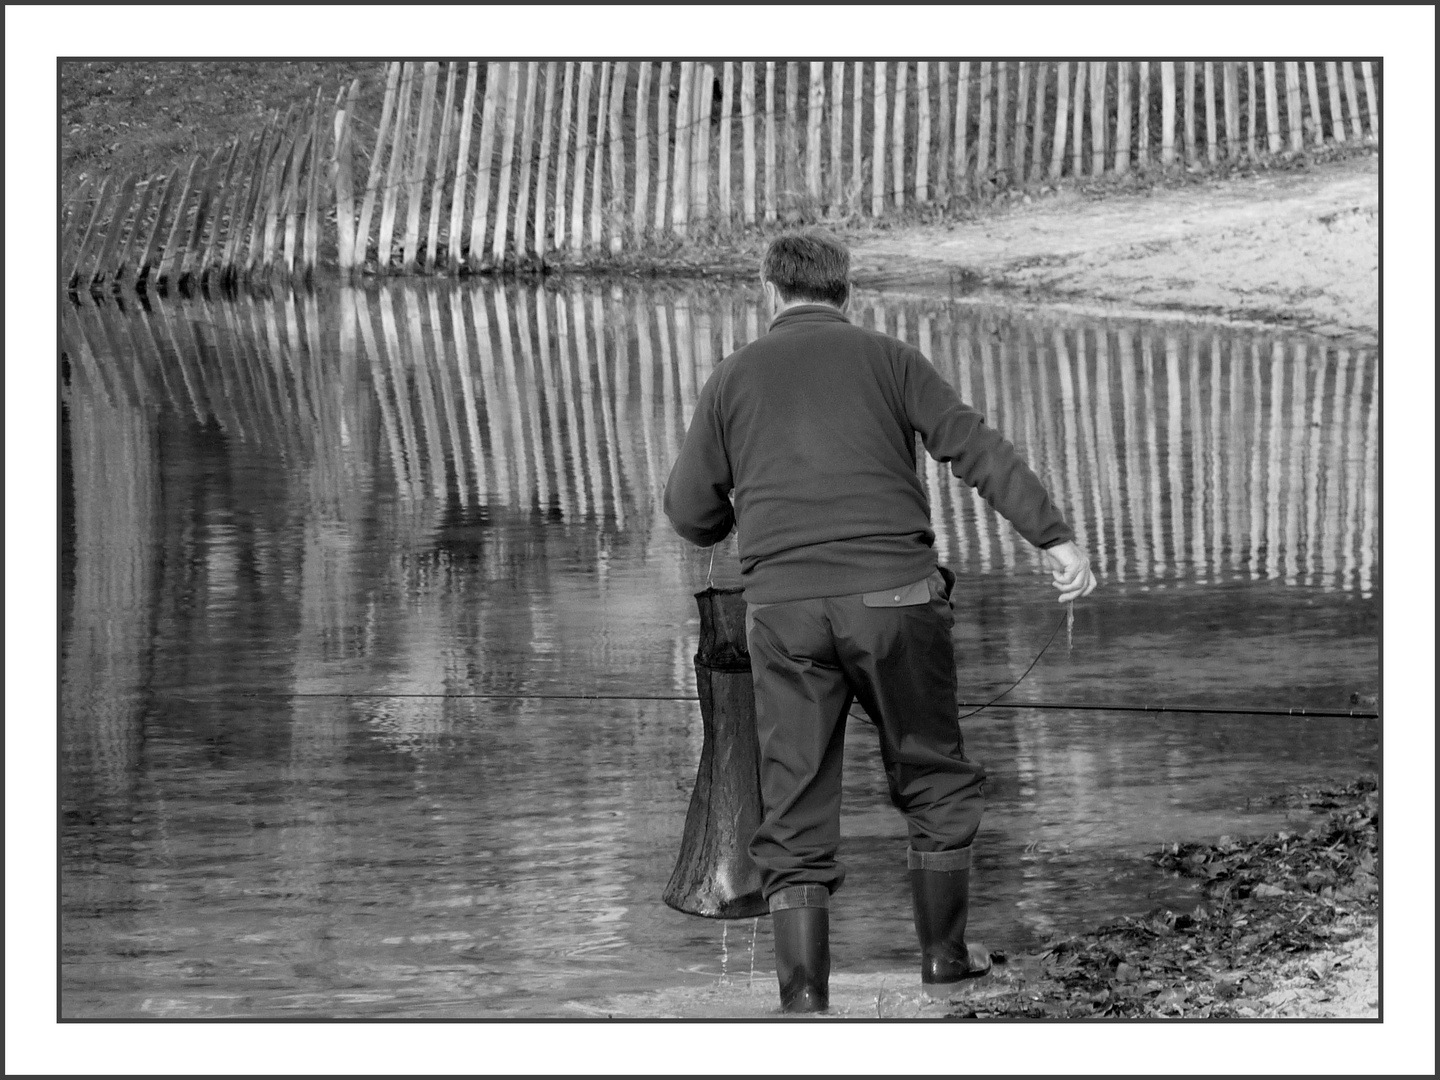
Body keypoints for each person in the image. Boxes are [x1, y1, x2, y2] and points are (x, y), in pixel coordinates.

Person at [663, 230, 1097, 1014]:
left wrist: (746, 512)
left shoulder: (732, 378)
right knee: (931, 771)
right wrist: (1053, 538)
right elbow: (975, 447)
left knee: (792, 801)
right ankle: (943, 961)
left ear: (769, 292)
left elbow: (690, 514)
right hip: (897, 603)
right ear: (847, 291)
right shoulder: (891, 359)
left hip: (785, 615)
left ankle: (803, 999)